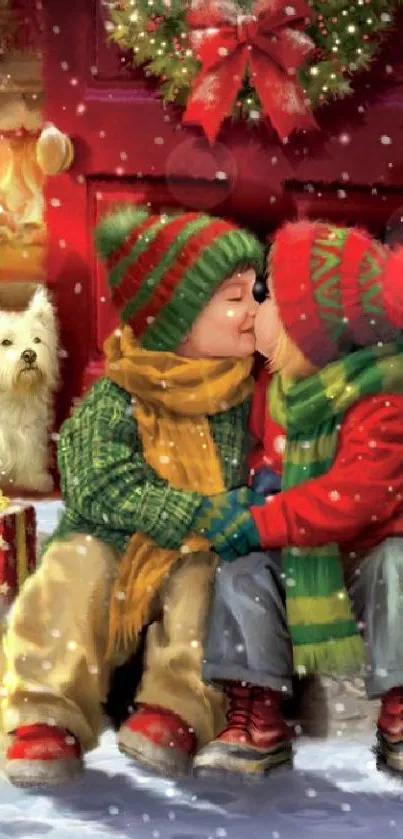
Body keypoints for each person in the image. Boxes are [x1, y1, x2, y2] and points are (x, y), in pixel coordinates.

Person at [1, 206, 265, 787]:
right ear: (178, 317)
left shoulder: (246, 393)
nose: (253, 311)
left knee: (206, 585)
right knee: (72, 573)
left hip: (201, 545)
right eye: (234, 297)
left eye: (256, 293)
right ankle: (44, 709)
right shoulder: (120, 394)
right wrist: (187, 510)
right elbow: (98, 479)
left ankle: (177, 709)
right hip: (116, 537)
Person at [193, 220, 403, 778]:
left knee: (398, 568)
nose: (255, 313)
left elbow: (355, 497)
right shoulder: (282, 388)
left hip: (362, 553)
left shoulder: (381, 395)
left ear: (314, 327)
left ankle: (401, 709)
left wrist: (268, 519)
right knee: (241, 571)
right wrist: (256, 489)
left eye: (269, 299)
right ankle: (257, 711)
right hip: (302, 555)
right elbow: (271, 458)